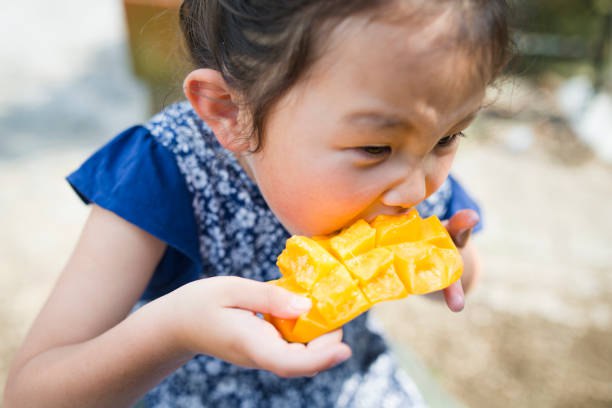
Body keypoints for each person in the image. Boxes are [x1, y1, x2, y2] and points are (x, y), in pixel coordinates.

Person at [3, 0, 512, 406]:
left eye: (450, 137)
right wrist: (174, 330)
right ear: (230, 113)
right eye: (374, 148)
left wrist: (445, 261)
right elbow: (30, 394)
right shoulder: (165, 171)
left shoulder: (409, 159)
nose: (415, 190)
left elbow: (464, 277)